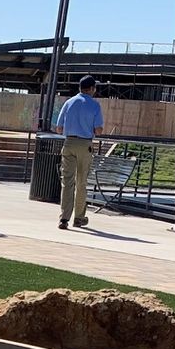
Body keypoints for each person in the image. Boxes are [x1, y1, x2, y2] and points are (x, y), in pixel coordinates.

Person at [53, 74, 104, 231]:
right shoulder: (95, 105)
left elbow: (59, 128)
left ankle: (64, 218)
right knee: (81, 182)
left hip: (68, 142)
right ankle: (79, 218)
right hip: (84, 144)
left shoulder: (69, 102)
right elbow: (99, 130)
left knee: (67, 181)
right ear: (92, 89)